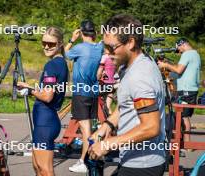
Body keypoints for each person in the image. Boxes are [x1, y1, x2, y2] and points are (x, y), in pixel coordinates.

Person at [88, 14, 166, 176]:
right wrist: (107, 126)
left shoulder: (140, 76)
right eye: (104, 46)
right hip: (135, 160)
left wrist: (108, 144)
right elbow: (126, 104)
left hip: (142, 166)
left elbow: (151, 127)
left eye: (111, 47)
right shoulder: (131, 66)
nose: (107, 53)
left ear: (130, 42)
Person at [17, 27, 68, 176]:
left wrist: (30, 90)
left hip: (46, 122)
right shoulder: (61, 63)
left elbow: (47, 96)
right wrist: (31, 88)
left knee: (45, 170)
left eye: (51, 44)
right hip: (45, 122)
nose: (46, 46)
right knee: (37, 167)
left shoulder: (52, 65)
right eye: (44, 43)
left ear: (60, 44)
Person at [65, 20, 104, 173]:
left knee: (85, 129)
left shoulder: (80, 48)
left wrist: (71, 40)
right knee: (91, 128)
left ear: (81, 32)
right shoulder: (99, 47)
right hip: (93, 93)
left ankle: (84, 160)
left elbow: (65, 53)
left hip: (81, 93)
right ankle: (93, 156)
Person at [158, 38, 201, 144]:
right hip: (192, 89)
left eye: (179, 49)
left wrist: (165, 65)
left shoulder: (187, 54)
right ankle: (185, 142)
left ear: (182, 44)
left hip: (186, 90)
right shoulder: (196, 54)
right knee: (183, 116)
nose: (179, 52)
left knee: (182, 117)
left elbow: (178, 70)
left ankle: (187, 144)